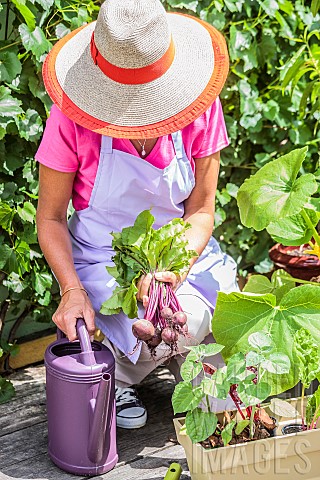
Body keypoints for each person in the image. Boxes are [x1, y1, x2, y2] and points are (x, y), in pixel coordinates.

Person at [36, 0, 238, 430]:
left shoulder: (200, 109)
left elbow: (201, 209)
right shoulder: (70, 120)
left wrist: (173, 269)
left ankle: (142, 363)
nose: (143, 123)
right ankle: (121, 370)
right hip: (101, 261)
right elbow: (51, 217)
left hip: (181, 251)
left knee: (193, 327)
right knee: (132, 323)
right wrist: (72, 289)